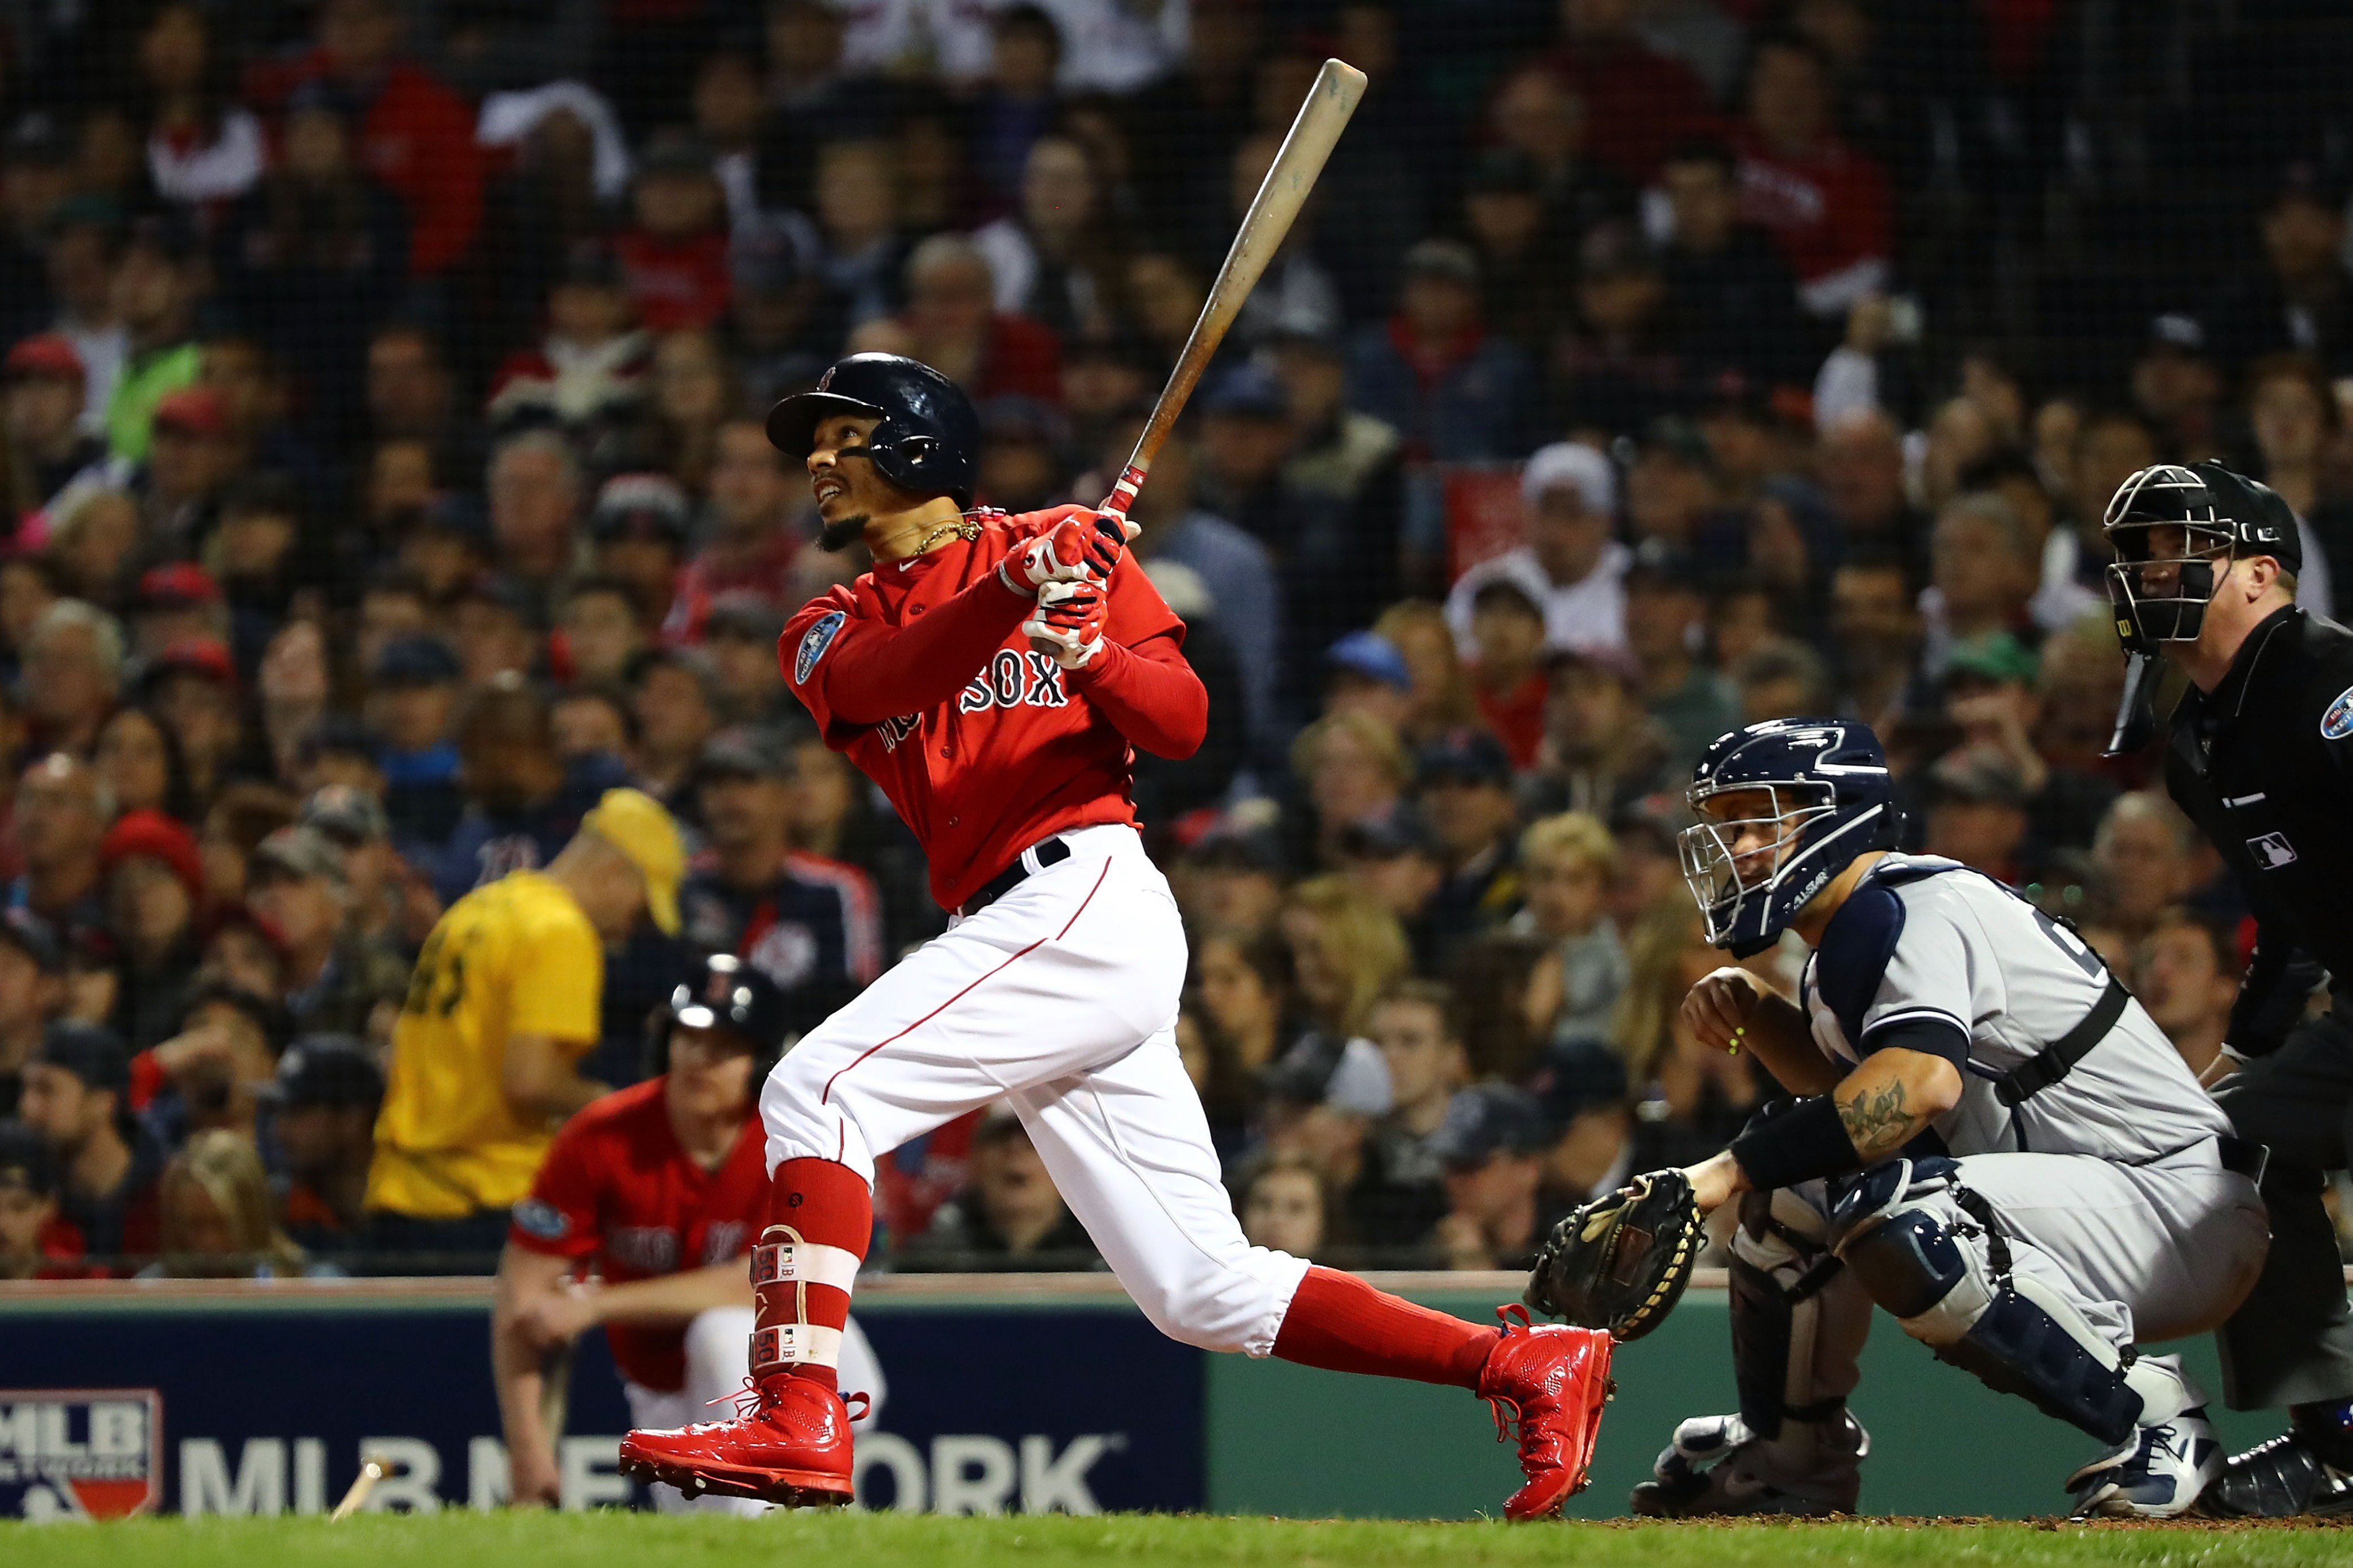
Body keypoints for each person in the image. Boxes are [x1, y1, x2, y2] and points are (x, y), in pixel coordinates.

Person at [619, 353, 1611, 1517]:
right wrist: (1015, 590)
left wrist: (1091, 653)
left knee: (814, 1091)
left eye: (845, 435)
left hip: (1079, 893)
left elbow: (1184, 723)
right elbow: (894, 677)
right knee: (1200, 1290)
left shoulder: (1062, 544)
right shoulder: (826, 620)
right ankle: (1522, 1362)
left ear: (920, 445)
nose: (821, 463)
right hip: (1020, 929)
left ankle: (796, 1416)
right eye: (816, 445)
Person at [1640, 718, 2267, 1519]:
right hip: (2096, 1200)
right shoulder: (1849, 937)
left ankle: (2161, 1422)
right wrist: (1763, 1018)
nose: (1736, 849)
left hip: (2177, 1205)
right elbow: (1855, 1103)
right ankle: (1792, 1456)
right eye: (1724, 827)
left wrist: (1718, 1173)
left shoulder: (1915, 905)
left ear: (1840, 815)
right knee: (1799, 1186)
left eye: (1756, 821)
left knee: (1904, 1213)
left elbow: (1917, 1088)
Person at [2101, 460, 2353, 1515]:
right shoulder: (2197, 742)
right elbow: (2291, 918)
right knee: (2233, 1140)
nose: (2153, 571)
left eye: (2178, 549)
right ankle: (2335, 1441)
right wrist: (2251, 1049)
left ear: (2260, 574)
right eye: (2143, 554)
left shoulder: (2330, 683)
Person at [495, 955, 883, 1513]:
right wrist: (529, 1458)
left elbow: (756, 1287)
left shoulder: (795, 1137)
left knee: (723, 1331)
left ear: (762, 1061)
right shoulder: (602, 1137)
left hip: (819, 1380)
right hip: (669, 1397)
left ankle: (790, 1497)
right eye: (691, 1038)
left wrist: (596, 1304)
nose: (702, 1060)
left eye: (726, 1047)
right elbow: (523, 1304)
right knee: (713, 1539)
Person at [363, 790, 684, 1265]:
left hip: (402, 1192)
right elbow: (529, 1082)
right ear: (616, 874)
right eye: (639, 909)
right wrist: (618, 1105)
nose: (630, 928)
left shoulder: (478, 908)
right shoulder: (560, 930)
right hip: (479, 1201)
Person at [17, 1020, 160, 1260]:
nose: (27, 1107)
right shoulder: (32, 1202)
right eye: (26, 1090)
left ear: (103, 1102)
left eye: (46, 1090)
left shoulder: (161, 1197)